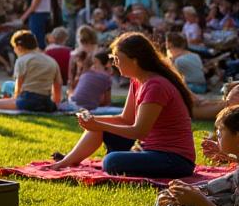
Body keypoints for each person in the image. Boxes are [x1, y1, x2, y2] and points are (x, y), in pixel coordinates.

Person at [46, 33, 196, 178]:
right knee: (99, 129)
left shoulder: (155, 85)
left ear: (135, 60)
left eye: (117, 58)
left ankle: (69, 160)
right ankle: (69, 161)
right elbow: (126, 119)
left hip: (174, 160)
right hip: (151, 150)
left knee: (111, 161)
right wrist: (95, 121)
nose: (114, 63)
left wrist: (99, 124)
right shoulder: (137, 80)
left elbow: (139, 132)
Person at [143, 105, 239, 206]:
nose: (217, 136)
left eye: (220, 132)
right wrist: (229, 155)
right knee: (170, 194)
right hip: (220, 199)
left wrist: (199, 201)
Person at [0, 30, 63, 112]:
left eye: (14, 48)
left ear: (19, 47)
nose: (14, 50)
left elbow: (19, 85)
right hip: (47, 103)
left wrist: (14, 100)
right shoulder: (51, 61)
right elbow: (58, 84)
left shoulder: (22, 60)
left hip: (27, 101)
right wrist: (56, 103)